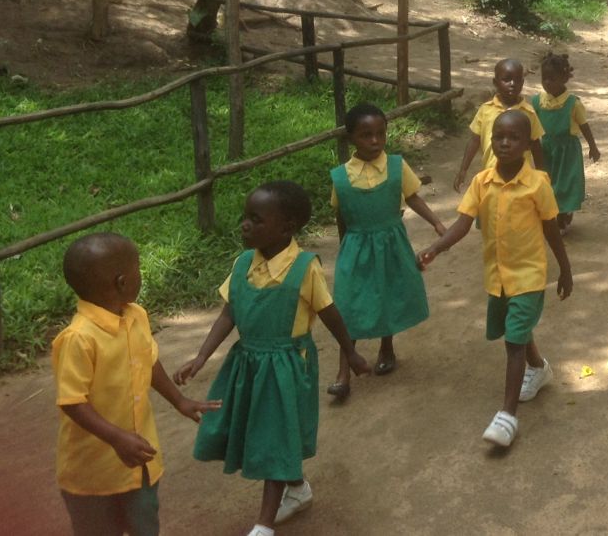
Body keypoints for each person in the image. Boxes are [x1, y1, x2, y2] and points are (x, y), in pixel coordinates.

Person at [176, 182, 370, 536]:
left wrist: (351, 352)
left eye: (256, 219)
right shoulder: (242, 265)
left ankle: (264, 524)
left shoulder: (304, 268)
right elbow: (229, 313)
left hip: (286, 367)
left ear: (286, 227)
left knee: (275, 438)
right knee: (263, 432)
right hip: (248, 365)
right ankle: (297, 488)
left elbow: (330, 313)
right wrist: (201, 356)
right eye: (244, 217)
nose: (245, 225)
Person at [419, 111, 573, 448]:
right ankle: (539, 368)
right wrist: (436, 248)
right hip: (498, 274)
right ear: (491, 141)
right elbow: (463, 223)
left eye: (514, 138)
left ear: (528, 144)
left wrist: (565, 269)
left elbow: (551, 229)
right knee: (517, 328)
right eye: (499, 137)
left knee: (513, 341)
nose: (505, 143)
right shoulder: (482, 181)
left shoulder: (538, 184)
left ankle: (507, 416)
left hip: (529, 275)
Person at [53, 233, 216, 536]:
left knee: (145, 525)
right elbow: (72, 401)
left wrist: (179, 400)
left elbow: (148, 361)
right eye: (138, 268)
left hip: (139, 461)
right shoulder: (79, 339)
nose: (140, 274)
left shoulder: (136, 316)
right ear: (122, 282)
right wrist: (116, 438)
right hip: (93, 472)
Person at [326, 103, 446, 400]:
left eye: (381, 133)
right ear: (351, 137)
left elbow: (413, 197)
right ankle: (343, 370)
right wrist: (345, 250)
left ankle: (387, 347)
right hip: (356, 247)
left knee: (388, 293)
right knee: (348, 304)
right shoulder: (340, 176)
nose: (375, 140)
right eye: (366, 135)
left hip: (391, 245)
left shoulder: (396, 166)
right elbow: (341, 214)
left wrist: (436, 222)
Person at [532, 52, 602, 233]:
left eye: (552, 79)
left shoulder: (573, 103)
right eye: (544, 78)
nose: (547, 83)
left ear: (564, 79)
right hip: (546, 150)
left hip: (567, 151)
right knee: (548, 183)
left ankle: (564, 215)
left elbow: (584, 126)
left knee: (566, 183)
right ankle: (552, 215)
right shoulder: (538, 102)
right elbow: (530, 125)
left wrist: (593, 147)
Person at [455, 58, 545, 190]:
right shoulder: (486, 110)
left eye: (517, 80)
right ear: (495, 82)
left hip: (520, 178)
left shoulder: (529, 113)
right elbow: (474, 140)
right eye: (506, 79)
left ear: (522, 82)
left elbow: (536, 145)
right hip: (491, 176)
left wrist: (541, 174)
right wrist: (463, 169)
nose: (512, 84)